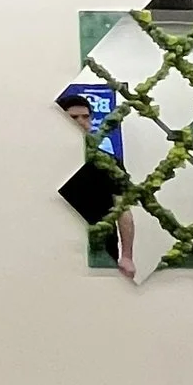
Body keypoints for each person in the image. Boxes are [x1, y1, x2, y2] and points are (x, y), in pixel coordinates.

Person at [56, 94, 137, 279]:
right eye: (73, 117)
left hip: (102, 249)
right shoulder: (48, 164)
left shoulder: (109, 163)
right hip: (59, 248)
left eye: (85, 117)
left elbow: (123, 210)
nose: (81, 122)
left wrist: (127, 256)